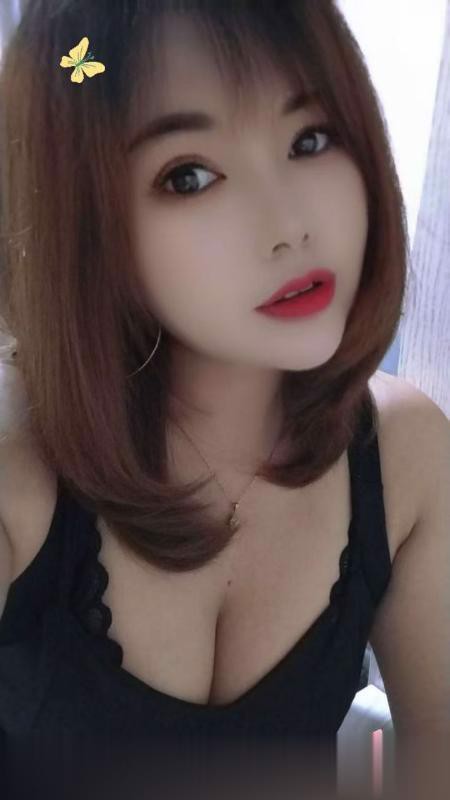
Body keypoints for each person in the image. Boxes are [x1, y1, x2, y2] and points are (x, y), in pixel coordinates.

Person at [1, 2, 448, 798]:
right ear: (85, 216)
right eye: (189, 176)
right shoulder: (19, 467)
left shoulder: (405, 457)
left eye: (310, 138)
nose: (289, 226)